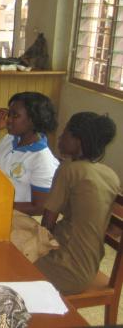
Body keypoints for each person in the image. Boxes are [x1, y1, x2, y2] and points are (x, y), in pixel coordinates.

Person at [37, 112, 120, 295]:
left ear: (78, 140)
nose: (60, 137)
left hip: (65, 270)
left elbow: (46, 226)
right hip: (89, 267)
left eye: (65, 133)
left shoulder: (69, 169)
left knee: (10, 258)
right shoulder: (110, 175)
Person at [0, 92, 59, 216]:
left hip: (14, 216)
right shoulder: (10, 139)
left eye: (15, 116)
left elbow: (39, 207)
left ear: (33, 120)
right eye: (9, 114)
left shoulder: (42, 159)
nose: (8, 120)